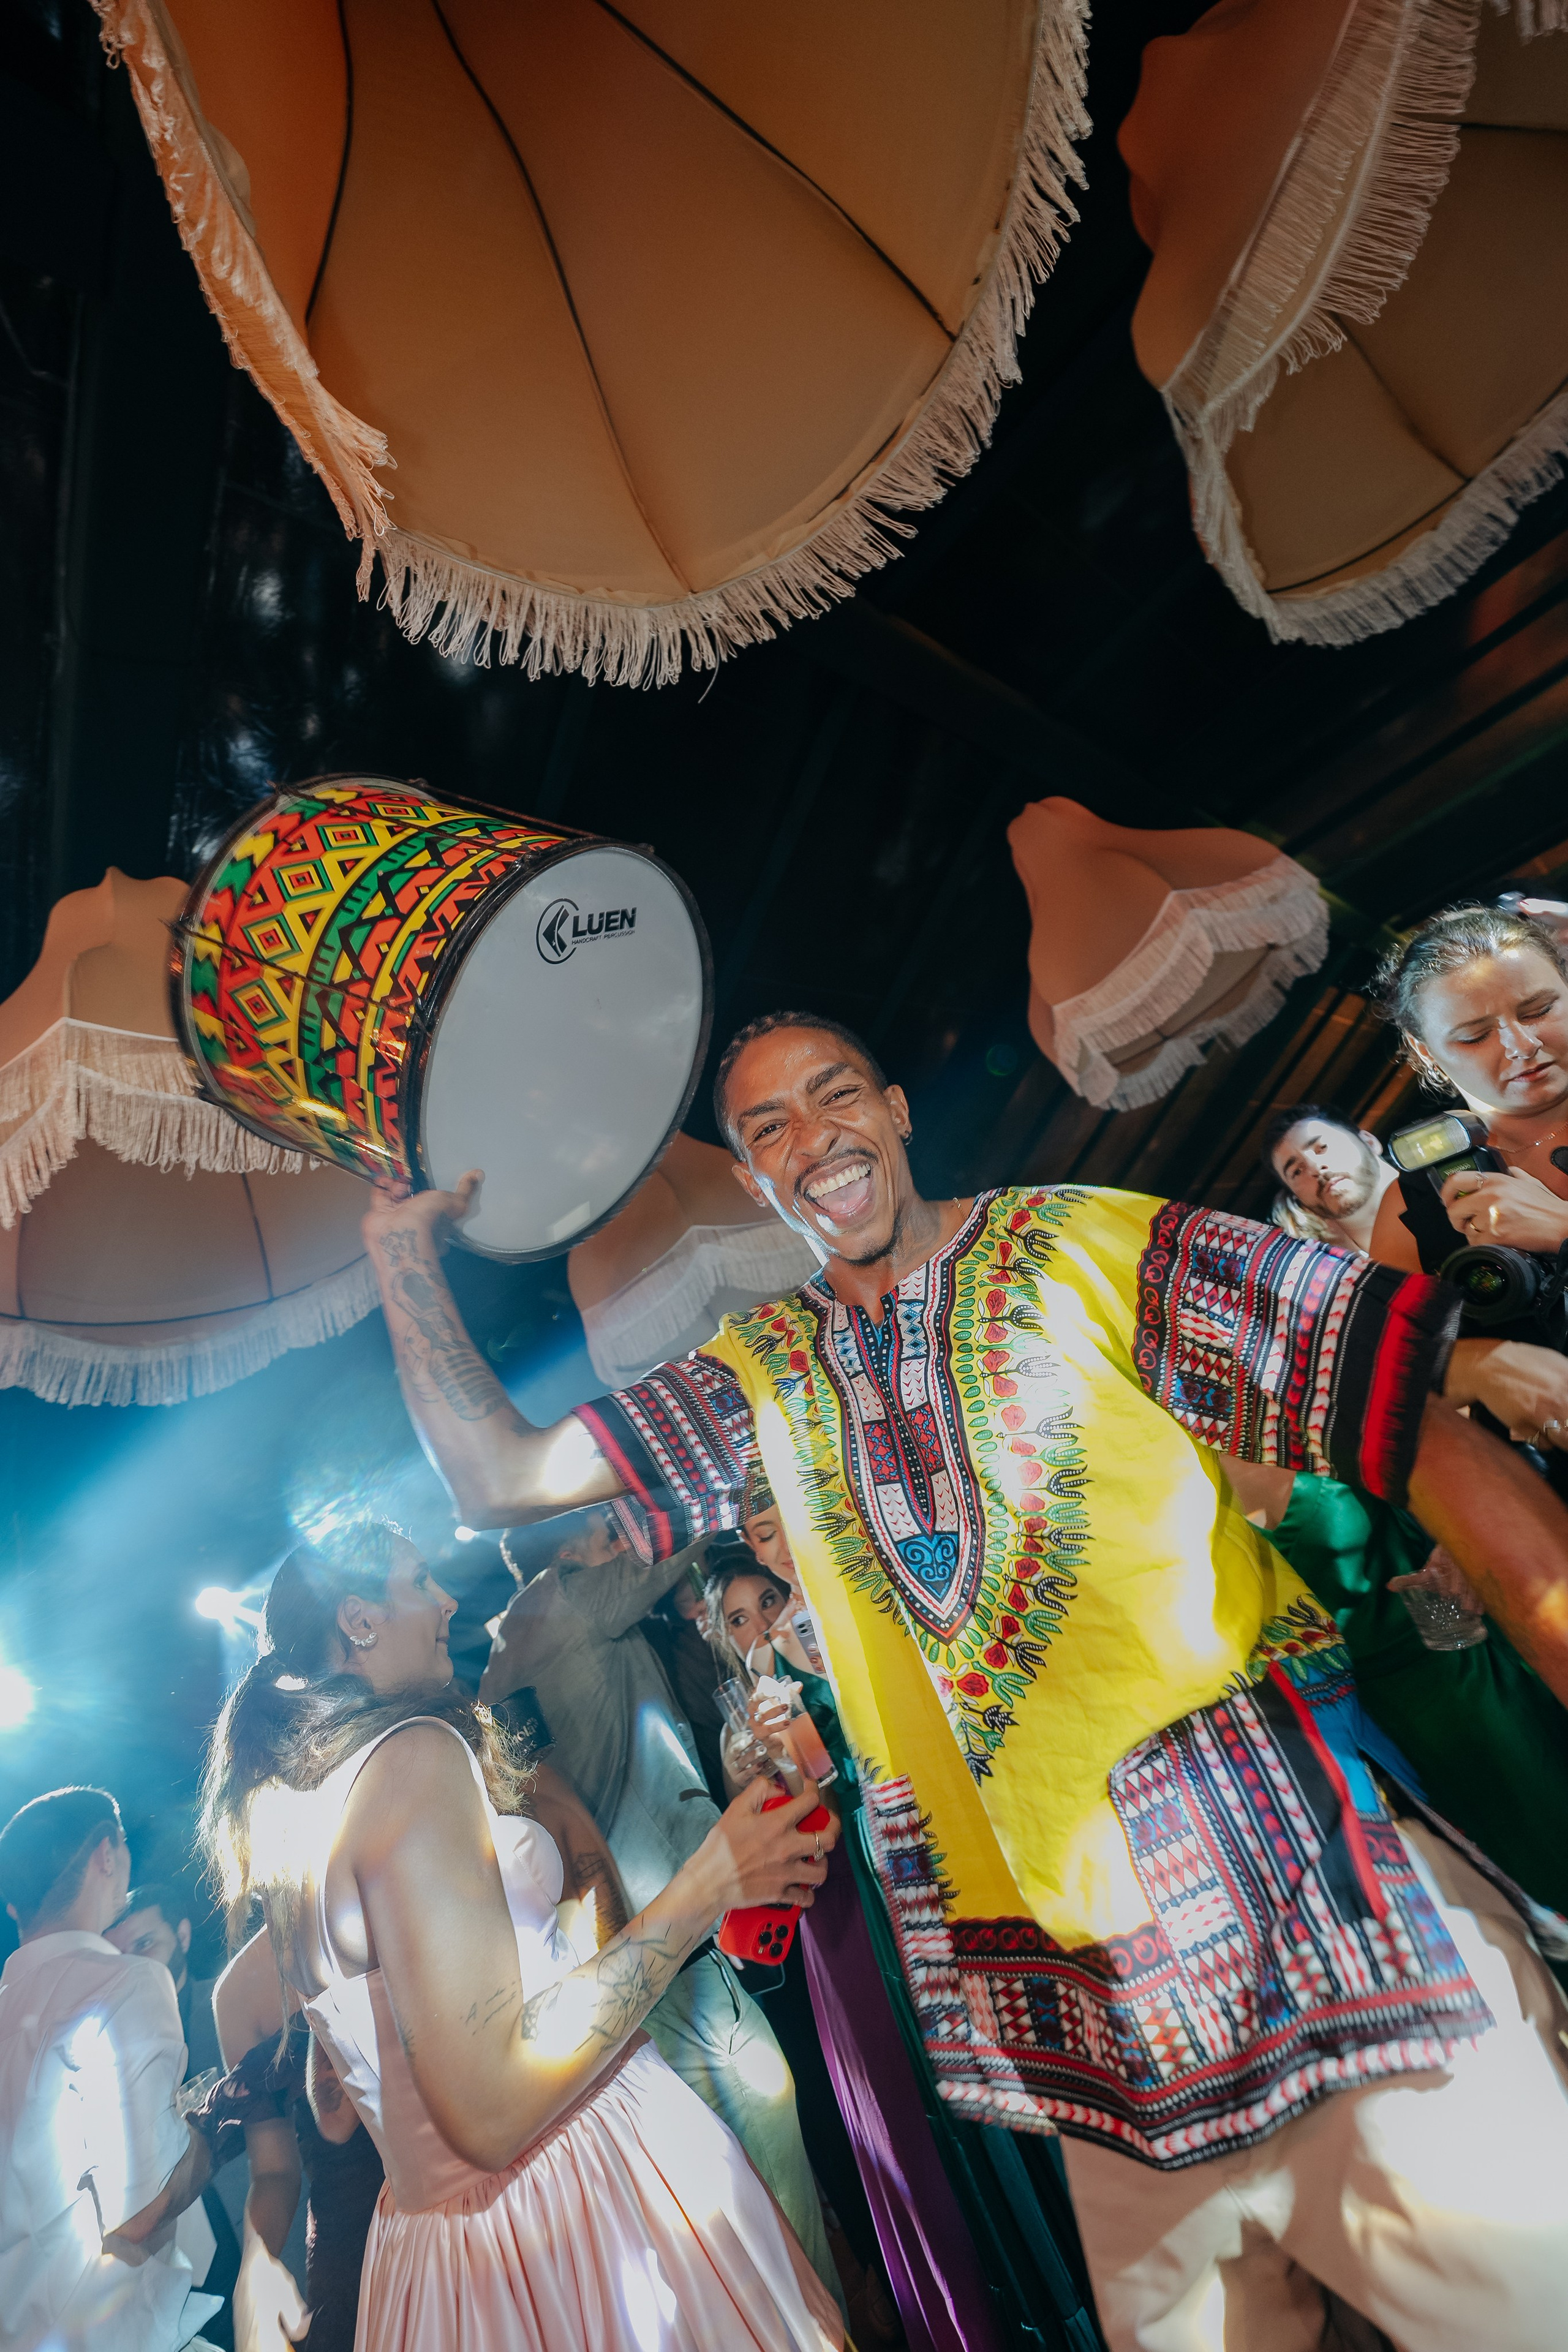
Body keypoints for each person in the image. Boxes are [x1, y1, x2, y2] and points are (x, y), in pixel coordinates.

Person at [364, 1006, 1568, 2352]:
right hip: (1090, 2024)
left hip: (1309, 1920)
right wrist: (399, 1259)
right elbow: (500, 1481)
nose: (811, 1139)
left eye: (833, 1097)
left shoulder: (1074, 1239)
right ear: (753, 1182)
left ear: (894, 1109)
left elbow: (1384, 1390)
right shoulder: (759, 1369)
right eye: (767, 1129)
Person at [199, 1517, 843, 2352]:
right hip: (574, 2207)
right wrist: (713, 1881)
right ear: (358, 1620)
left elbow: (338, 2111)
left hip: (439, 2254)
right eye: (420, 1579)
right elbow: (495, 2107)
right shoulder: (412, 1758)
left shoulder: (297, 1826)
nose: (448, 1599)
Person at [478, 1507, 840, 2302]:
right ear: (571, 1549)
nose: (624, 1539)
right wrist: (704, 1490)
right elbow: (676, 1544)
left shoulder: (508, 1659)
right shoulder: (562, 1603)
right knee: (774, 2161)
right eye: (610, 1529)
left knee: (732, 2182)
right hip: (670, 1936)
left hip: (632, 1945)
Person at [0, 1787, 221, 2352]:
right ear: (107, 1854)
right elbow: (141, 2210)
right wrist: (209, 2131)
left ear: (14, 1907)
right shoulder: (124, 1982)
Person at [1369, 902, 1568, 1274]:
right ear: (1425, 1051)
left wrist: (1561, 1230)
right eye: (1475, 1036)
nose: (1523, 1045)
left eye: (1539, 1010)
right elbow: (1405, 1333)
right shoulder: (1412, 1208)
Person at [110, 1882, 252, 2348]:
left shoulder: (233, 2007)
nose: (134, 1962)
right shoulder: (106, 2059)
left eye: (145, 1943)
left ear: (184, 1936)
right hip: (180, 2290)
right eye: (121, 1953)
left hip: (262, 2239)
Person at [1260, 1101, 1396, 1253]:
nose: (1316, 1168)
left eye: (1323, 1147)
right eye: (1297, 1171)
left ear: (1369, 1142)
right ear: (1298, 1199)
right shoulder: (1329, 1272)